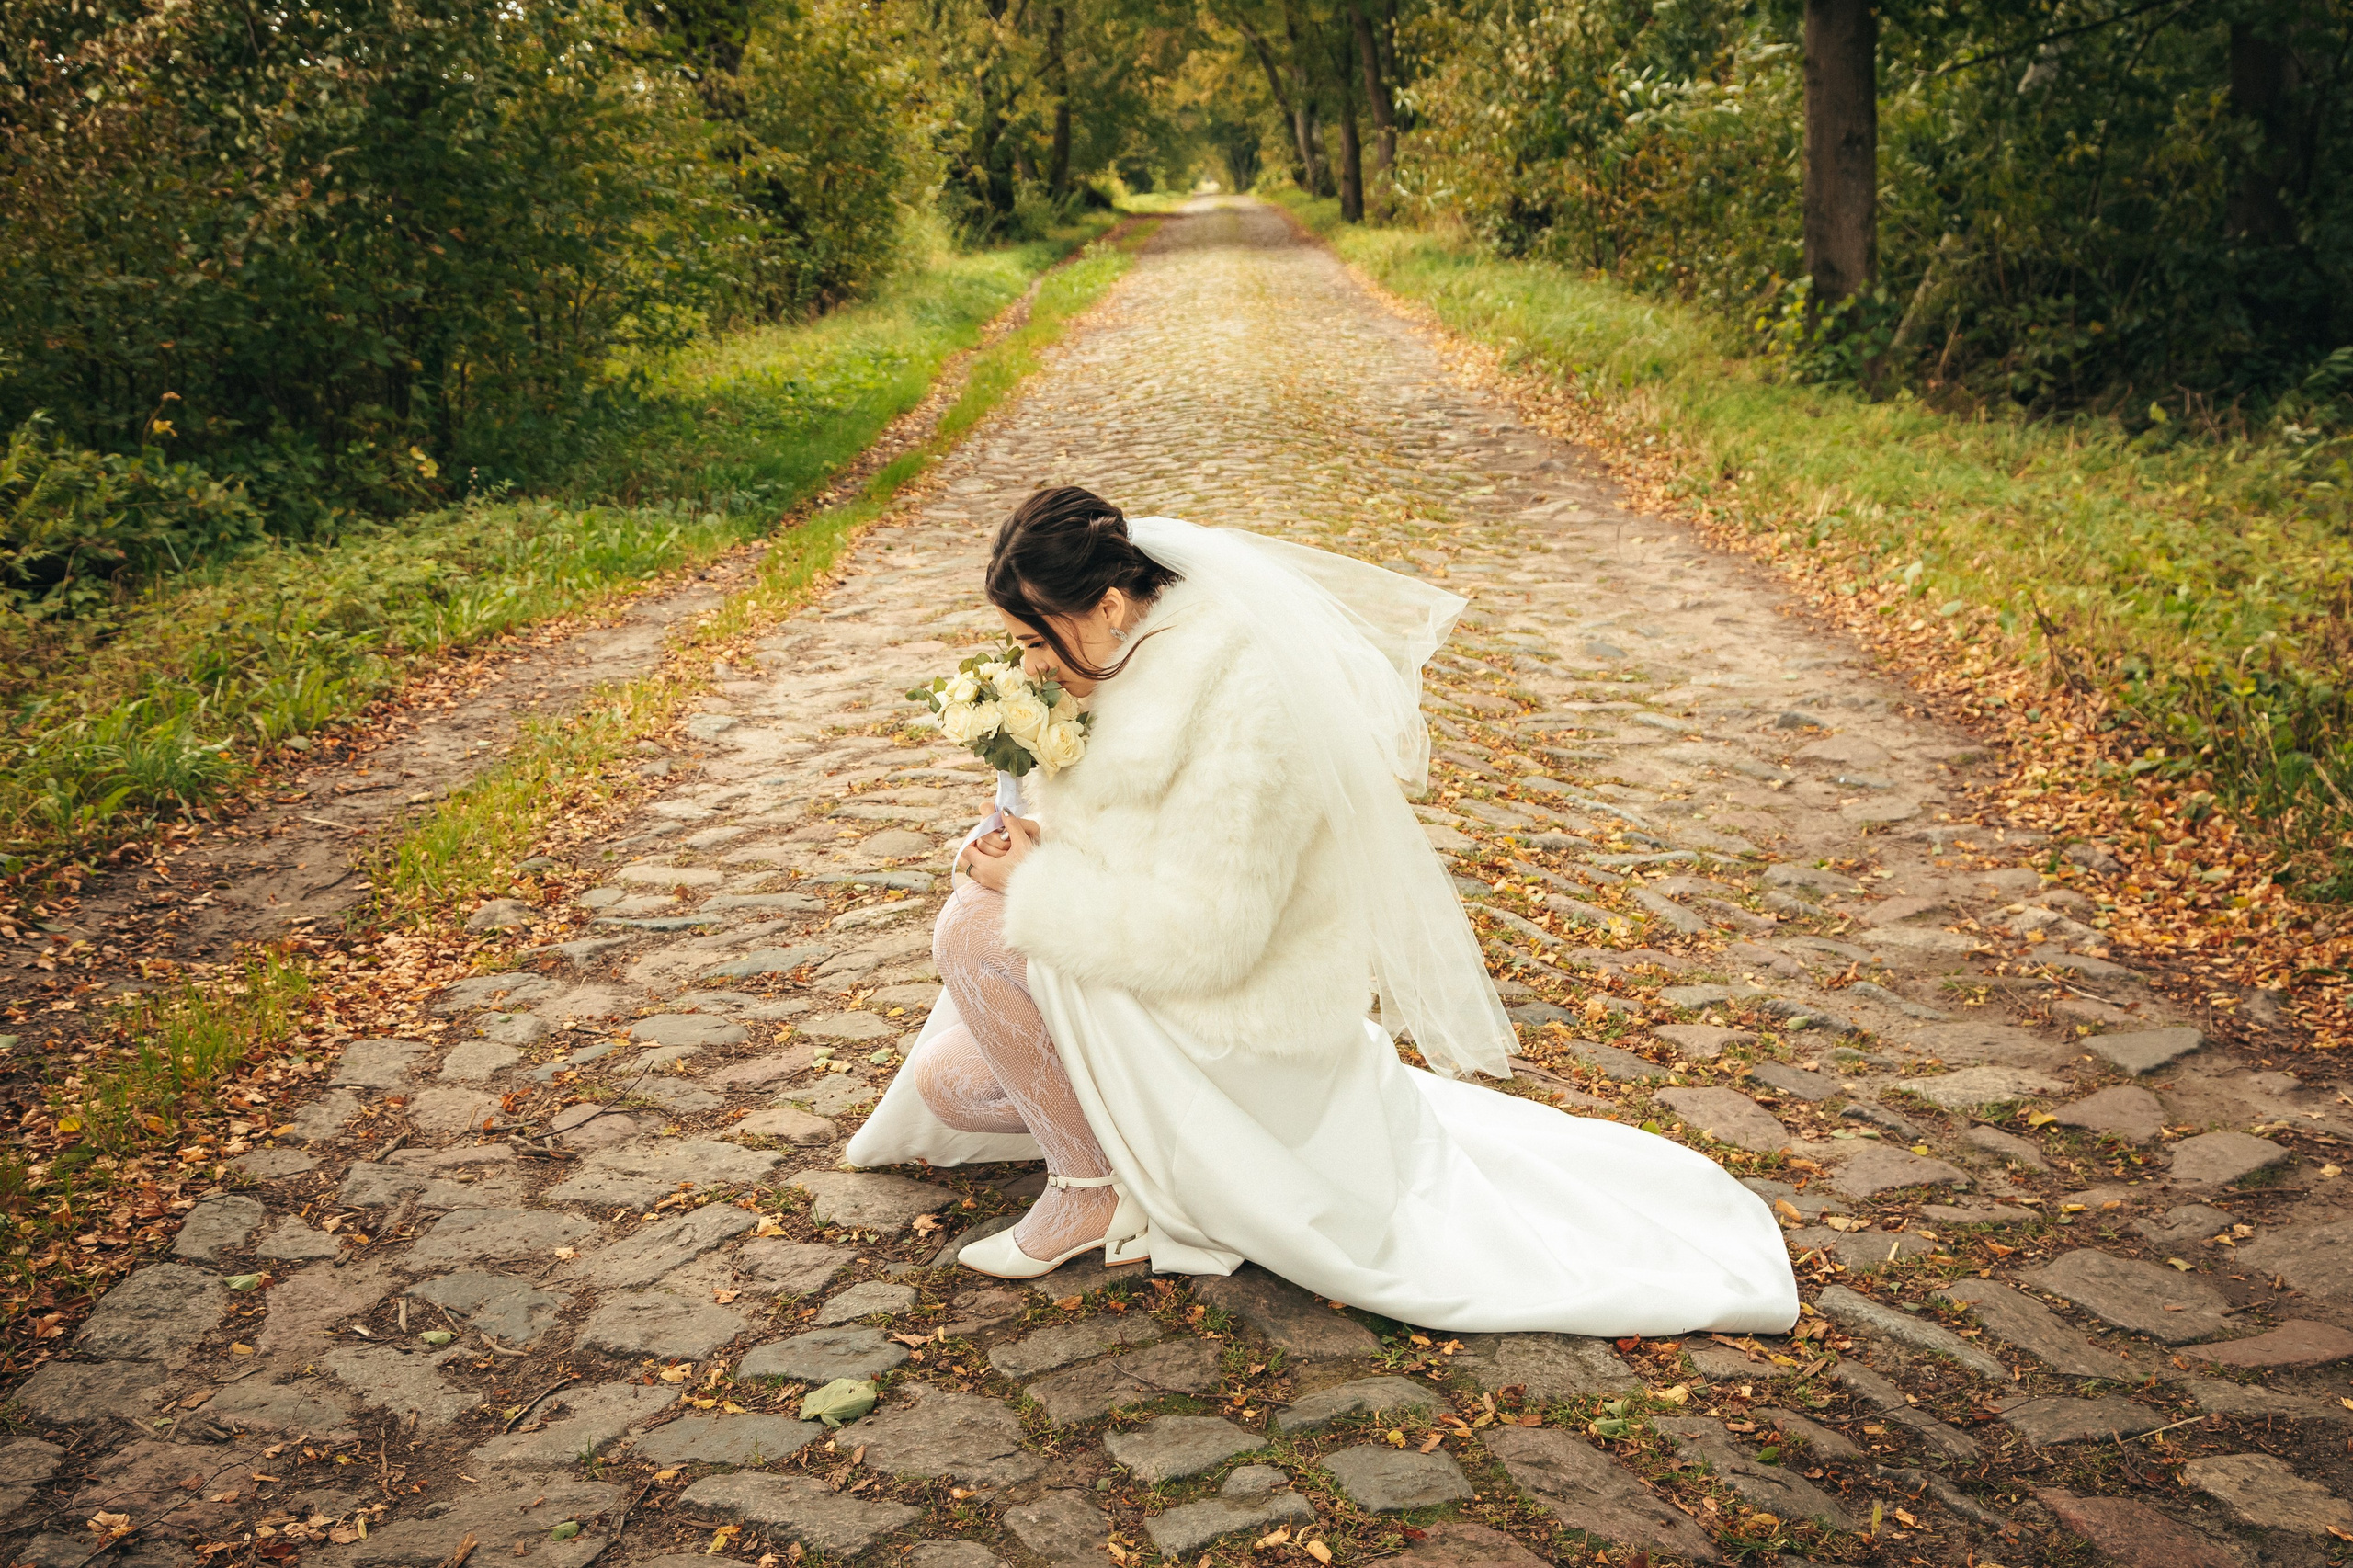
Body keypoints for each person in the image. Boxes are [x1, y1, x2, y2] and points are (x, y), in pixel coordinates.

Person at [844, 486, 1798, 1334]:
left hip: (1237, 1005)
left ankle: (1088, 1191)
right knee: (950, 1086)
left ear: (1103, 604)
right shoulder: (1118, 660)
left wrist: (1032, 890)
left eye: (1029, 640)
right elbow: (1139, 845)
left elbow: (1213, 934)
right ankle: (1133, 1164)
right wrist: (1037, 848)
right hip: (1148, 957)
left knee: (970, 926)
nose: (1029, 668)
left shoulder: (1243, 700)